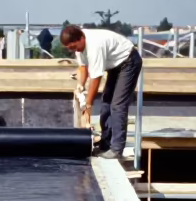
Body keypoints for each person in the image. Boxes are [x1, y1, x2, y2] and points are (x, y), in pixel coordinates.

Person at [59, 24, 141, 158]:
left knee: (117, 105)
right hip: (115, 66)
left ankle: (116, 149)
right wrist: (81, 85)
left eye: (73, 47)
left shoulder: (95, 46)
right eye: (69, 49)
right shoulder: (80, 48)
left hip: (129, 62)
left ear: (80, 39)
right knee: (106, 103)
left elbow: (96, 78)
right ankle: (106, 143)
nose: (73, 51)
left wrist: (88, 104)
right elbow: (83, 67)